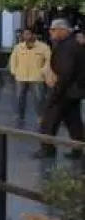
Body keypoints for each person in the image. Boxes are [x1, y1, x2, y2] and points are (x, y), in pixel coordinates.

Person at [34, 19, 85, 159]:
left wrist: (56, 91)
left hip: (64, 91)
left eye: (53, 30)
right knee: (74, 122)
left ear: (62, 30)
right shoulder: (72, 44)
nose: (50, 32)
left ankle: (47, 149)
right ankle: (78, 150)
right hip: (73, 91)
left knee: (49, 120)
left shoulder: (67, 47)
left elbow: (65, 72)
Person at [8, 28, 50, 128]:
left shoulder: (43, 47)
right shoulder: (18, 47)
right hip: (21, 77)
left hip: (37, 77)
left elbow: (49, 60)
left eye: (29, 34)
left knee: (39, 98)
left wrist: (43, 71)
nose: (27, 36)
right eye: (25, 34)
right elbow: (13, 60)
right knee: (19, 97)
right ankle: (19, 116)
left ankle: (41, 116)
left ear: (34, 35)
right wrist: (14, 72)